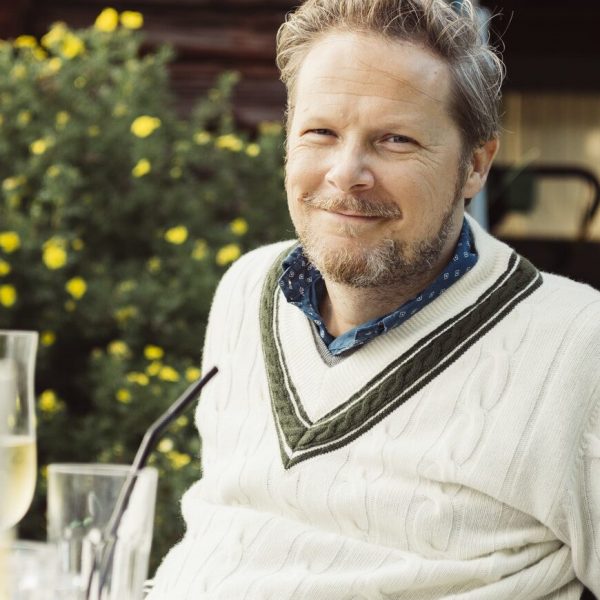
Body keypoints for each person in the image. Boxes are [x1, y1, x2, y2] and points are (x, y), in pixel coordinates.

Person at [147, 1, 600, 598]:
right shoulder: (248, 287)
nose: (346, 173)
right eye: (320, 132)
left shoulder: (578, 348)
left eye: (395, 139)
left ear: (475, 165)